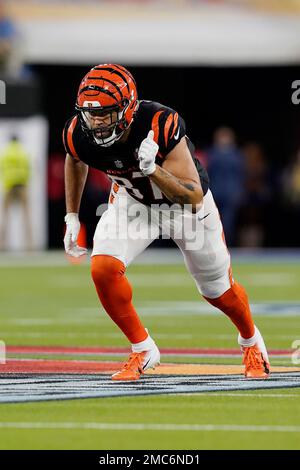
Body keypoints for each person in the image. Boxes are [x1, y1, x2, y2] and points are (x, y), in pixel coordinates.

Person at [63, 63, 270, 381]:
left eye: (107, 113)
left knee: (219, 292)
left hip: (183, 207)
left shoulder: (160, 124)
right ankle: (142, 348)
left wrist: (154, 170)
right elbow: (75, 158)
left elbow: (193, 196)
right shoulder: (79, 131)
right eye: (92, 115)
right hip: (134, 204)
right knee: (103, 267)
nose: (98, 123)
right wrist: (72, 215)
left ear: (129, 108)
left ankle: (251, 341)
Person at [206, 127, 245, 246]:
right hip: (214, 192)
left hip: (230, 194)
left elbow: (240, 175)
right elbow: (207, 173)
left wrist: (239, 191)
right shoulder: (212, 153)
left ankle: (226, 246)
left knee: (228, 223)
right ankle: (212, 246)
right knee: (211, 222)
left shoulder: (236, 155)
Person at [0, 134, 32, 250]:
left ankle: (2, 245)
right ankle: (29, 246)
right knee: (26, 217)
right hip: (22, 185)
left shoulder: (6, 153)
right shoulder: (23, 152)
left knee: (5, 216)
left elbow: (2, 168)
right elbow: (28, 168)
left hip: (9, 185)